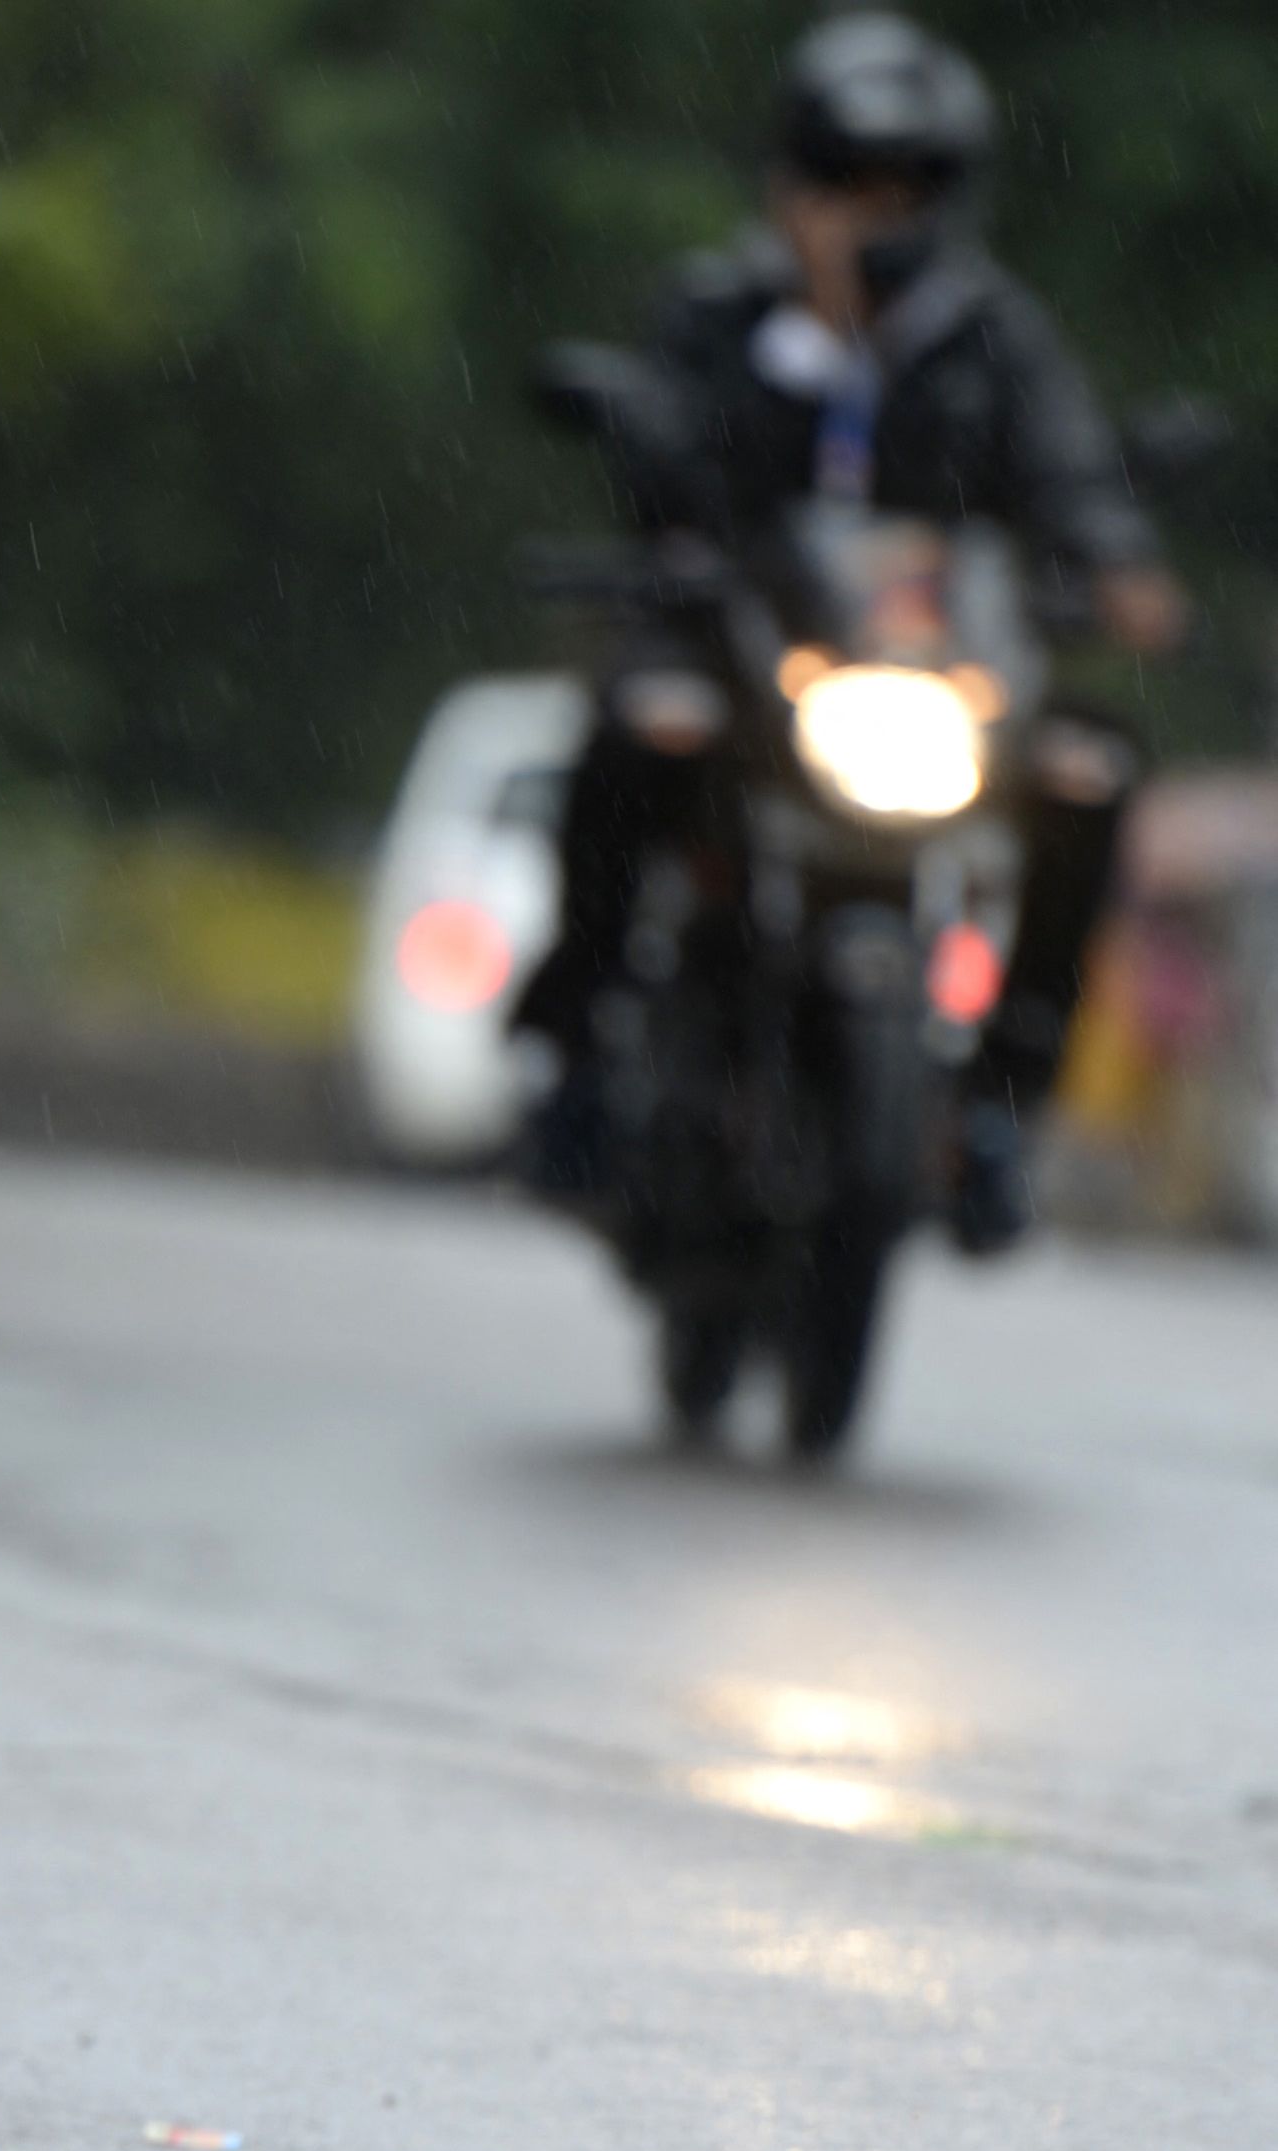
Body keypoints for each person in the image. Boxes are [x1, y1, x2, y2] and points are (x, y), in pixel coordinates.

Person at [512, 11, 1187, 1254]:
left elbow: (1068, 471)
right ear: (790, 181)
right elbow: (659, 461)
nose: (870, 218)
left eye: (901, 192)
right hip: (745, 664)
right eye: (844, 185)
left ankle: (997, 1101)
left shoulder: (994, 340)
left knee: (1089, 775)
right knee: (636, 728)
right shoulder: (722, 316)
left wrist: (1118, 565)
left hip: (933, 679)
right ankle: (579, 1054)